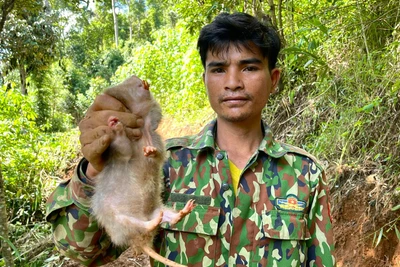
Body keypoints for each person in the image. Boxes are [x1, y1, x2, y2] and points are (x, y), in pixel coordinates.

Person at [46, 12, 335, 267]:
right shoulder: (164, 162)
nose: (233, 82)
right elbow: (83, 252)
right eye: (219, 69)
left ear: (273, 78)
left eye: (248, 67)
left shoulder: (304, 174)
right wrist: (95, 170)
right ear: (205, 79)